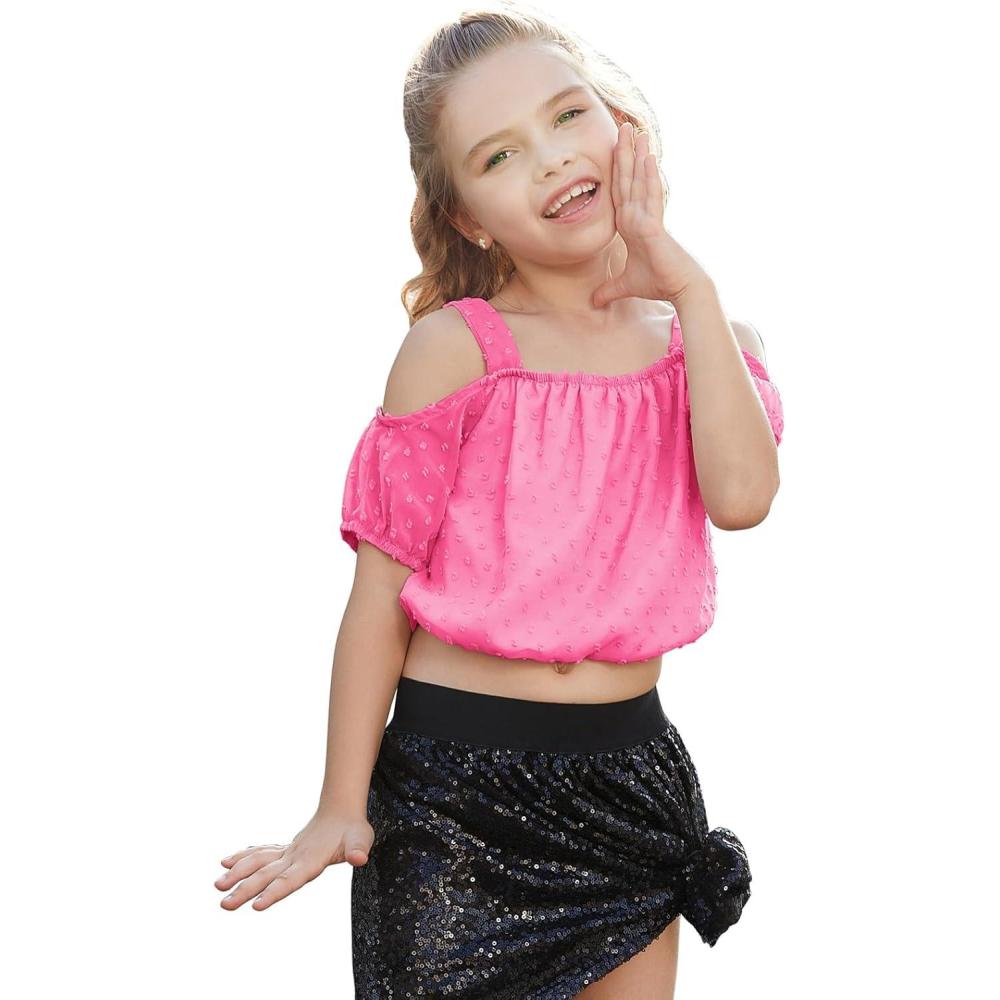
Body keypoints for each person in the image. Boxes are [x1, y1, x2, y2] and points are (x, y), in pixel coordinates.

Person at [215, 5, 785, 997]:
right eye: (499, 155)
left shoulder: (707, 342)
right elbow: (379, 597)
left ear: (621, 127)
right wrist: (340, 802)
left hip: (629, 787)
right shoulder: (455, 352)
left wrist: (690, 289)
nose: (551, 158)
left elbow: (741, 499)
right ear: (468, 217)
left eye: (567, 116)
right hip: (453, 798)